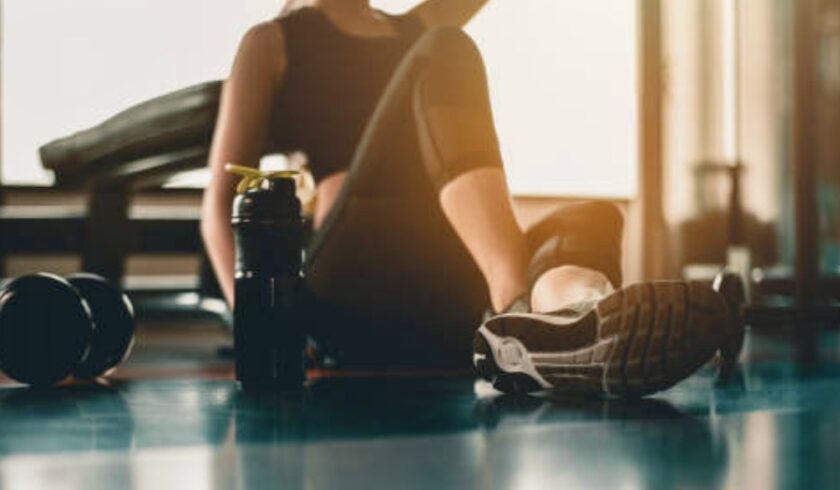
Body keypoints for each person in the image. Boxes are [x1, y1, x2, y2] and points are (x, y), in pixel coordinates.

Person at [201, 0, 744, 397]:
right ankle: (517, 303)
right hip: (351, 283)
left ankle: (573, 314)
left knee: (589, 216)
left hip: (451, 295)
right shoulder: (273, 40)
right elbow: (217, 206)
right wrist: (267, 331)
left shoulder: (407, 26)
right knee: (445, 47)